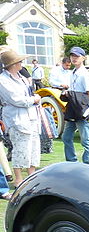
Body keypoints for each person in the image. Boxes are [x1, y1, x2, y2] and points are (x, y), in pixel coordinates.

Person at [0, 49, 41, 186]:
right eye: (19, 61)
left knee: (34, 146)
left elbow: (28, 94)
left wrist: (34, 99)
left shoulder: (22, 78)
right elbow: (15, 99)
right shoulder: (3, 80)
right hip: (17, 118)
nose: (21, 63)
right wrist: (33, 100)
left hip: (31, 116)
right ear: (13, 64)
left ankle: (32, 175)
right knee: (20, 148)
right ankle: (18, 179)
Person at [61, 46, 89, 164]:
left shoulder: (85, 74)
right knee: (66, 137)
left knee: (85, 139)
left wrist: (74, 96)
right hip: (73, 109)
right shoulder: (73, 72)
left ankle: (87, 163)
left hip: (81, 109)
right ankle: (71, 161)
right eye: (72, 56)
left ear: (83, 58)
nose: (74, 58)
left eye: (77, 56)